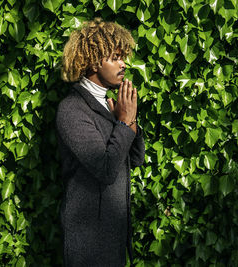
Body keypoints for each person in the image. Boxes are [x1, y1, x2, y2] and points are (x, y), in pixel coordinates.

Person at [56, 18, 145, 266]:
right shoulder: (72, 109)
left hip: (113, 238)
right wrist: (124, 122)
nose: (123, 63)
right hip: (89, 245)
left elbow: (134, 160)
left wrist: (129, 120)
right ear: (95, 61)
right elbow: (105, 169)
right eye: (116, 57)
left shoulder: (107, 105)